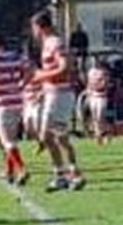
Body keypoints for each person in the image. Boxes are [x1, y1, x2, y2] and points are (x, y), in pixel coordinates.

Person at [31, 10, 85, 192]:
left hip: (60, 95)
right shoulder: (48, 43)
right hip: (54, 94)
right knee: (58, 137)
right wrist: (43, 89)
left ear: (40, 27)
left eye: (34, 27)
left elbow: (65, 67)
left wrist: (41, 76)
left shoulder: (55, 42)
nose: (33, 32)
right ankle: (69, 174)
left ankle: (64, 175)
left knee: (49, 135)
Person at [0, 32, 29, 186]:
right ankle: (9, 171)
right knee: (12, 139)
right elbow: (29, 69)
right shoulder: (15, 56)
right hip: (17, 101)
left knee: (6, 141)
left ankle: (21, 169)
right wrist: (21, 84)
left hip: (2, 102)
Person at [85, 57, 113, 145]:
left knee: (101, 116)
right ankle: (98, 135)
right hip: (93, 96)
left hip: (101, 96)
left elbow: (104, 84)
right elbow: (89, 84)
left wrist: (96, 85)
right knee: (94, 117)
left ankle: (106, 133)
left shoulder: (104, 72)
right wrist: (88, 92)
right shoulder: (90, 72)